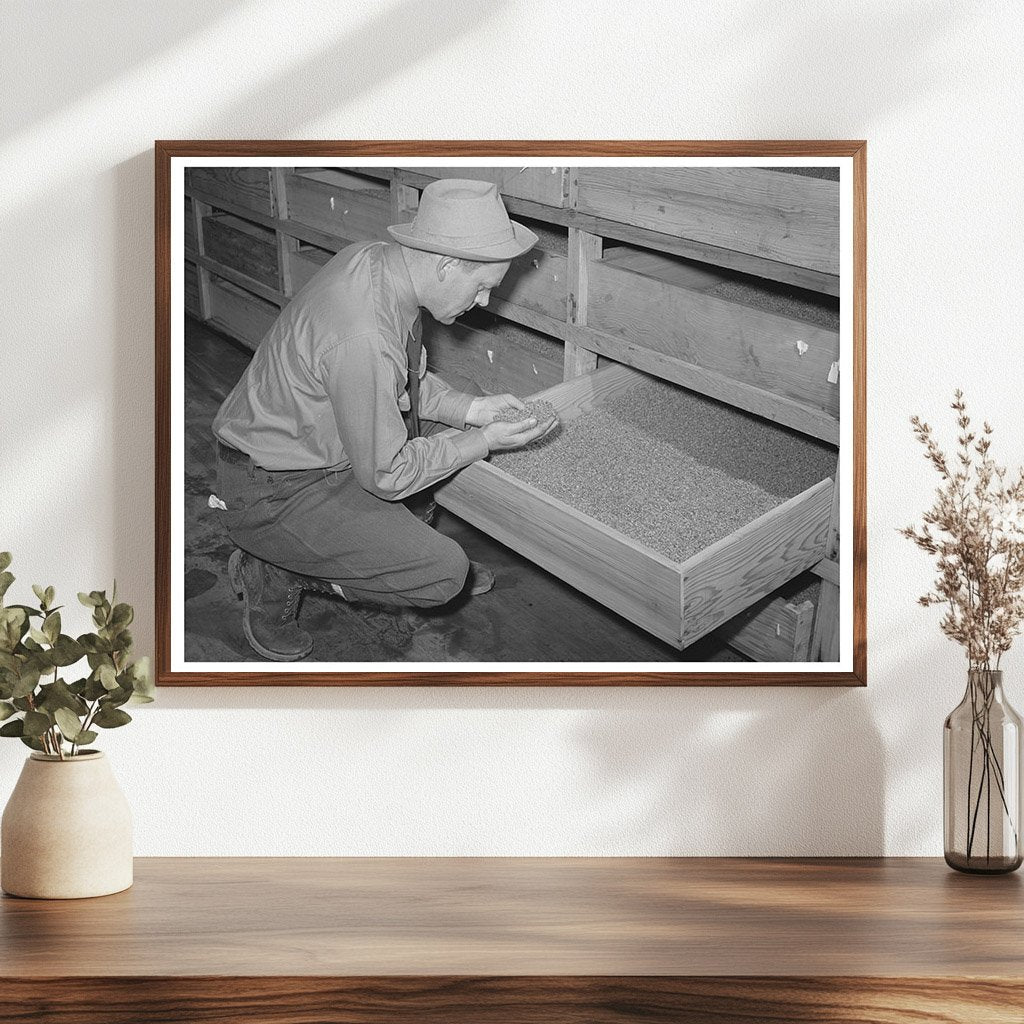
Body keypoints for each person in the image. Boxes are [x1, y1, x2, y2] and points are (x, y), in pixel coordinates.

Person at [210, 178, 555, 662]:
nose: (482, 303)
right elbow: (388, 472)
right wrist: (483, 440)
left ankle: (384, 545)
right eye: (482, 287)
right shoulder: (364, 334)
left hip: (323, 444)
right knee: (443, 575)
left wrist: (471, 411)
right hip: (273, 488)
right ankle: (275, 566)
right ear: (446, 265)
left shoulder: (378, 262)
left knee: (467, 400)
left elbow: (398, 380)